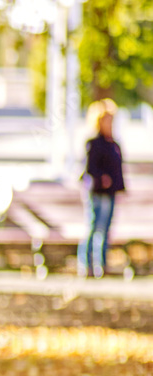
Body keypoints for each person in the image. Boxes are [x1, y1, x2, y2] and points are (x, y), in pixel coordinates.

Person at [78, 98, 125, 278]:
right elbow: (89, 168)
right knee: (93, 226)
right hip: (97, 192)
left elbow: (118, 169)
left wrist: (119, 185)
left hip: (110, 192)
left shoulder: (114, 144)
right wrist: (100, 178)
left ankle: (102, 264)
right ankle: (86, 264)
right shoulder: (94, 143)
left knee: (105, 229)